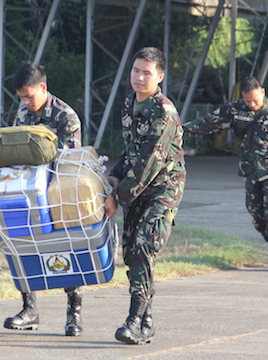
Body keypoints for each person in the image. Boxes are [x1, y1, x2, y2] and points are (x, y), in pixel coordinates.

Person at [104, 47, 186, 345]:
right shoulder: (129, 104)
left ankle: (134, 318)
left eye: (147, 73)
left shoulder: (164, 112)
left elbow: (149, 163)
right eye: (136, 71)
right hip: (136, 186)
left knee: (143, 245)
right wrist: (113, 176)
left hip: (163, 187)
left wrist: (118, 196)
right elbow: (130, 151)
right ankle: (147, 320)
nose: (139, 77)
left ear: (160, 77)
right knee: (131, 252)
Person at [183, 77, 268, 271]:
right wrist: (179, 132)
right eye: (248, 101)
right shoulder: (234, 110)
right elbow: (208, 122)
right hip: (250, 170)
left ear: (263, 92)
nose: (252, 104)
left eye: (255, 100)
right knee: (256, 214)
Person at [2, 62, 85, 336]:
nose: (26, 102)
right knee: (22, 246)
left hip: (57, 192)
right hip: (27, 192)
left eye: (30, 96)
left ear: (43, 88)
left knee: (65, 249)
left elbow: (68, 162)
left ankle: (74, 313)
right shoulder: (22, 112)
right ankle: (29, 309)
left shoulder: (66, 117)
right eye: (22, 98)